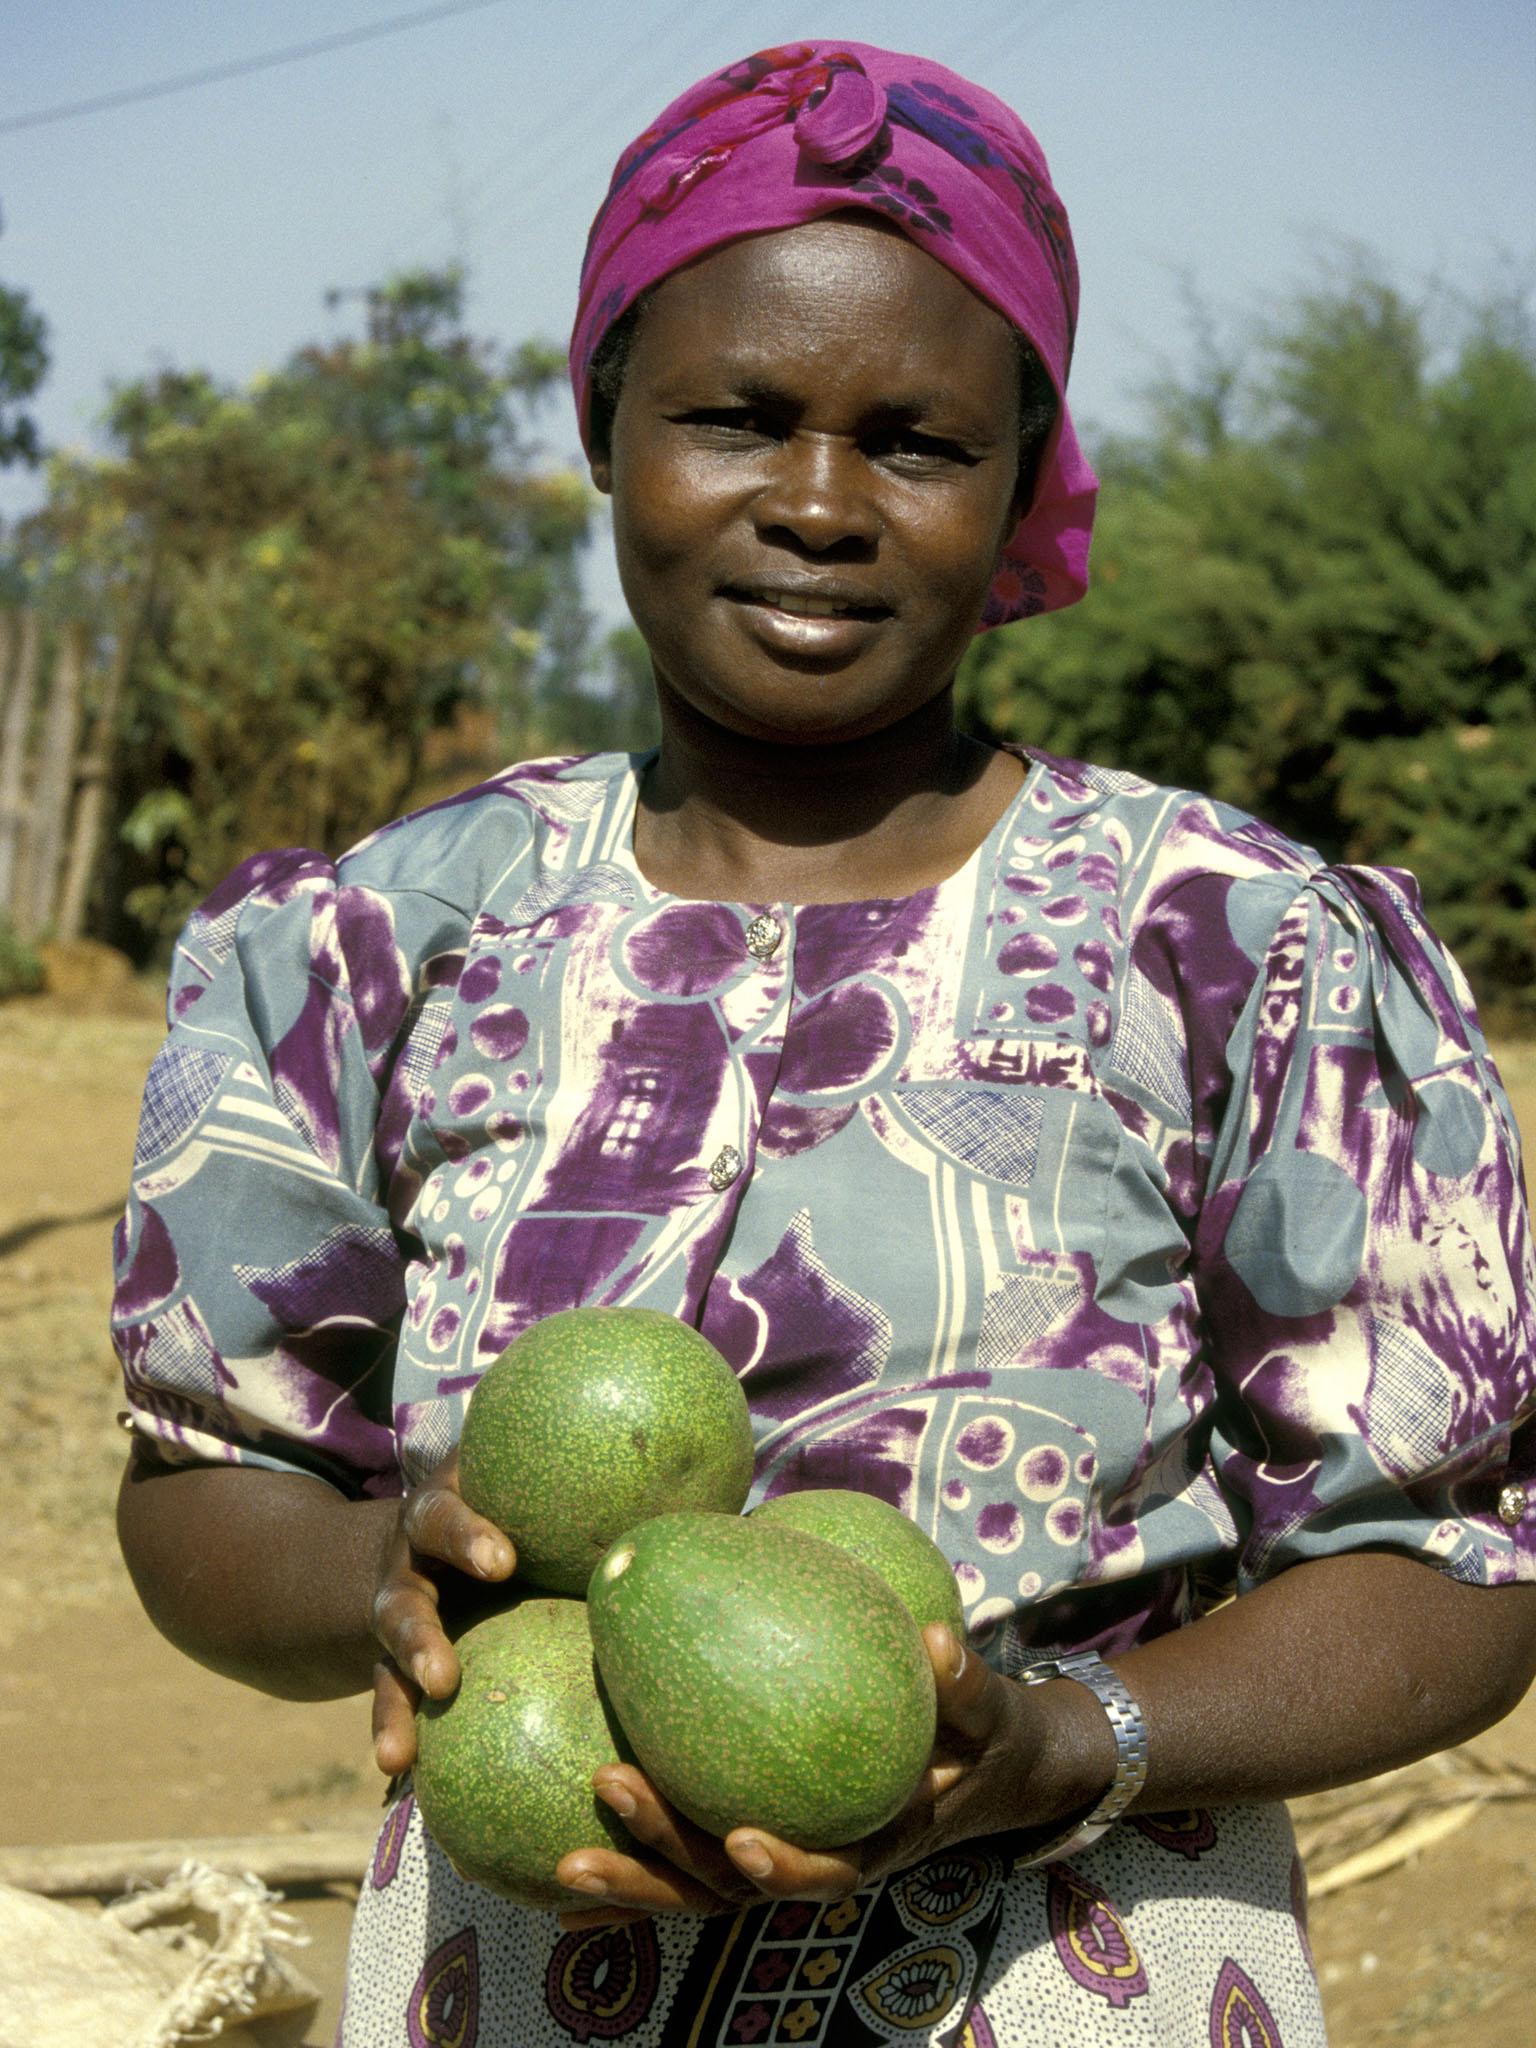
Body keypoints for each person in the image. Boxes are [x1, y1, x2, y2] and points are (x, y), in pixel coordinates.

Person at [113, 40, 1536, 2048]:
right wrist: (379, 1584)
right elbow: (201, 1488)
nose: (816, 502)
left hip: (1077, 1976)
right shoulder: (374, 943)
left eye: (919, 443)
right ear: (604, 425)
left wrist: (1071, 1735)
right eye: (736, 416)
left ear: (1027, 476)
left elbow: (1457, 1563)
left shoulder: (1240, 948)